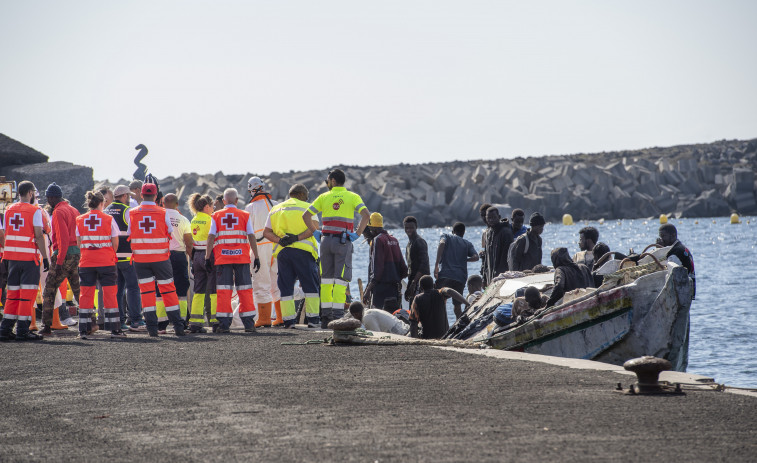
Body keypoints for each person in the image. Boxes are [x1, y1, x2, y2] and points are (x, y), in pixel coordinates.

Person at [303, 168, 370, 326]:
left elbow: (306, 215)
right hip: (343, 242)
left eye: (327, 180)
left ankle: (325, 317)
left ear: (333, 181)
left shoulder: (323, 197)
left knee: (325, 279)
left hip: (325, 241)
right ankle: (338, 316)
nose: (326, 183)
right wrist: (358, 234)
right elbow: (366, 215)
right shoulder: (352, 196)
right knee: (340, 280)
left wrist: (316, 233)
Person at [128, 183, 185, 337]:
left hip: (140, 260)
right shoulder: (163, 212)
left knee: (146, 293)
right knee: (169, 291)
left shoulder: (132, 213)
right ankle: (178, 327)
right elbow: (170, 232)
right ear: (155, 196)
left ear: (141, 195)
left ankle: (152, 329)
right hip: (161, 259)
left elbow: (129, 233)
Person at [264, 183, 321, 328]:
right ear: (302, 195)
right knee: (311, 286)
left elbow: (266, 232)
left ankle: (288, 321)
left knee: (286, 287)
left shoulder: (276, 209)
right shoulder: (308, 207)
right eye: (306, 196)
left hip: (283, 253)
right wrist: (297, 238)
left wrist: (280, 240)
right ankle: (313, 320)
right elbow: (314, 228)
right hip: (304, 252)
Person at [206, 188, 261, 333]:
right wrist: (256, 256)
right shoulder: (244, 215)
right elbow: (251, 236)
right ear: (237, 201)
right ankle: (249, 324)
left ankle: (224, 325)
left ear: (223, 201)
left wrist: (207, 257)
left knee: (224, 291)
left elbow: (211, 236)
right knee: (245, 290)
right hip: (241, 258)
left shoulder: (216, 216)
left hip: (223, 259)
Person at [0, 181, 48, 341]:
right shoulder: (34, 211)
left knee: (12, 294)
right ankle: (22, 330)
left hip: (11, 259)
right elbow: (39, 235)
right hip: (28, 259)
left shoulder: (8, 210)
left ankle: (5, 329)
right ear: (30, 193)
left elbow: (6, 233)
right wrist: (45, 257)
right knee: (27, 295)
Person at [75, 190, 124, 338]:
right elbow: (115, 243)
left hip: (86, 262)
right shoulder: (108, 219)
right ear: (102, 203)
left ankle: (83, 329)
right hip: (106, 262)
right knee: (110, 294)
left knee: (86, 295)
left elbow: (79, 243)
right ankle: (115, 329)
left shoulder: (80, 219)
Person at [39, 183, 82, 334]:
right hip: (76, 253)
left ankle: (46, 326)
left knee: (49, 290)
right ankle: (90, 322)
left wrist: (59, 262)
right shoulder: (74, 210)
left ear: (52, 197)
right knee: (78, 290)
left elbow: (63, 239)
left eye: (48, 198)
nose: (48, 201)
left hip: (63, 254)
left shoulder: (58, 212)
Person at [104, 184, 143, 331]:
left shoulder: (106, 210)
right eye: (128, 197)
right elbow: (134, 232)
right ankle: (136, 320)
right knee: (133, 287)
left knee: (118, 289)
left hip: (112, 256)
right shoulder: (128, 211)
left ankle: (119, 321)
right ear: (125, 196)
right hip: (127, 256)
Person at [245, 176, 281, 328]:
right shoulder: (277, 205)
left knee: (261, 283)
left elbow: (248, 234)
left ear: (252, 190)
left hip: (259, 248)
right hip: (277, 247)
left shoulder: (250, 208)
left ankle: (264, 319)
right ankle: (280, 317)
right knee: (277, 284)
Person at [434, 222, 479, 318]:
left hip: (445, 276)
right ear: (463, 233)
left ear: (453, 231)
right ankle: (460, 326)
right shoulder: (467, 243)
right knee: (457, 307)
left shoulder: (446, 236)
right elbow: (476, 257)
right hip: (460, 278)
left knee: (439, 303)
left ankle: (442, 327)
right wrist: (465, 259)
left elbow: (442, 243)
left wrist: (436, 264)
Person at [363, 212, 407, 311]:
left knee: (380, 317)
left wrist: (367, 290)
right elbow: (404, 268)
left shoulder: (377, 240)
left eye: (370, 228)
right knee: (393, 316)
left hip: (381, 288)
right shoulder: (394, 240)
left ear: (373, 228)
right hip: (394, 288)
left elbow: (377, 270)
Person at [187, 193, 217, 333]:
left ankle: (195, 322)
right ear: (206, 207)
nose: (213, 208)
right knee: (213, 290)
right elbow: (214, 238)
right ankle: (215, 321)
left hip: (196, 256)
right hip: (208, 255)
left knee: (198, 290)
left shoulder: (194, 220)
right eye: (212, 206)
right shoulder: (211, 220)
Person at [163, 193, 193, 327]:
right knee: (181, 288)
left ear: (163, 203)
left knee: (162, 287)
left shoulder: (159, 217)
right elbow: (189, 243)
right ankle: (181, 321)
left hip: (162, 256)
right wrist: (192, 258)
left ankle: (161, 322)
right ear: (177, 204)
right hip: (179, 256)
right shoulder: (183, 219)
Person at [658, 224, 695, 299]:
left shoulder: (675, 254)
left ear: (673, 235)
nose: (661, 240)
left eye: (663, 236)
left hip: (681, 295)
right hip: (689, 292)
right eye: (660, 236)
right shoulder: (682, 248)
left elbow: (669, 274)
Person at [481, 207, 513, 285]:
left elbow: (506, 257)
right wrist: (484, 277)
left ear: (499, 217)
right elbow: (487, 257)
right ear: (486, 218)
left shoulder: (506, 232)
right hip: (490, 276)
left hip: (502, 277)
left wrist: (499, 275)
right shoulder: (488, 233)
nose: (491, 220)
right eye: (489, 218)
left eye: (494, 217)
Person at [403, 216, 429, 302]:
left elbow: (424, 264)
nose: (408, 230)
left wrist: (414, 284)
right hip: (413, 280)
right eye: (406, 228)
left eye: (411, 228)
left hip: (422, 283)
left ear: (416, 227)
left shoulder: (419, 241)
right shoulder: (409, 244)